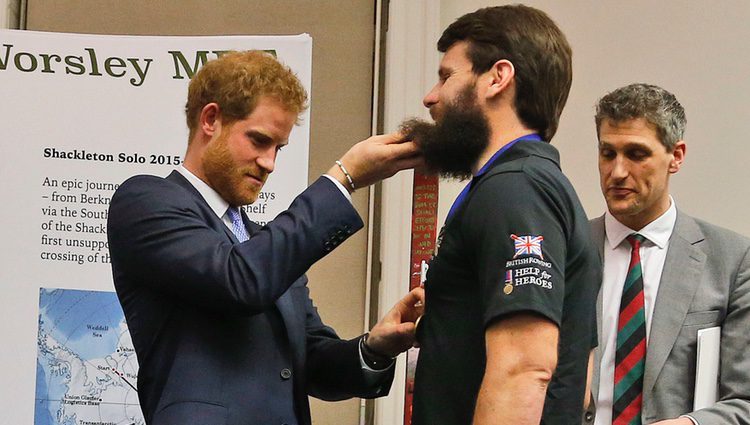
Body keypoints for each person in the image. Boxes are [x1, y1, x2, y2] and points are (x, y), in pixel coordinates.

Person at [107, 50, 424, 425]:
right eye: (259, 141)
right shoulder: (146, 201)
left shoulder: (263, 246)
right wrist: (342, 179)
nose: (270, 162)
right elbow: (238, 283)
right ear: (211, 120)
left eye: (278, 148)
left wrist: (376, 347)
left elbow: (311, 361)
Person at [402, 5, 601, 424]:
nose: (430, 97)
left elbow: (525, 368)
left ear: (498, 77)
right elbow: (578, 380)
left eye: (446, 76)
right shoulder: (534, 185)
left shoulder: (515, 189)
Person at [586, 83, 750, 425]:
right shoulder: (567, 248)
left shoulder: (731, 260)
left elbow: (744, 399)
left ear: (676, 156)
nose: (617, 172)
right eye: (607, 153)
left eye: (636, 154)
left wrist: (689, 424)